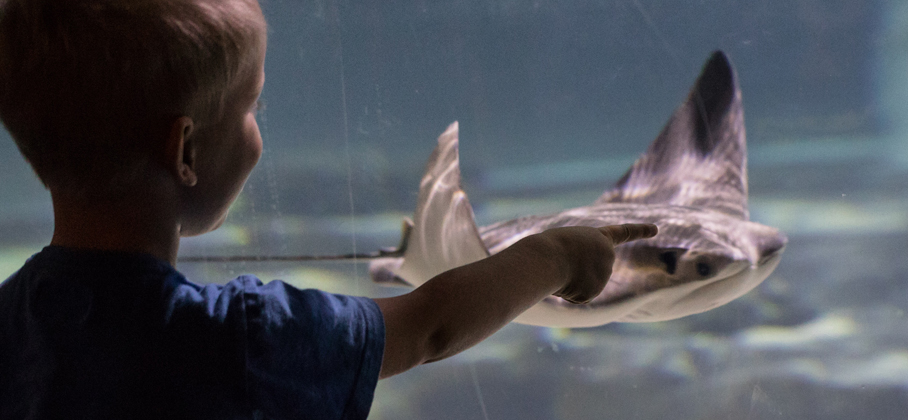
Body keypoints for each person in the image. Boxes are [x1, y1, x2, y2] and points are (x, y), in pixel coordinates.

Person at [0, 0, 658, 418]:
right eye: (250, 108)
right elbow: (429, 327)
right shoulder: (240, 338)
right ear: (186, 149)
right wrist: (559, 255)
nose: (258, 129)